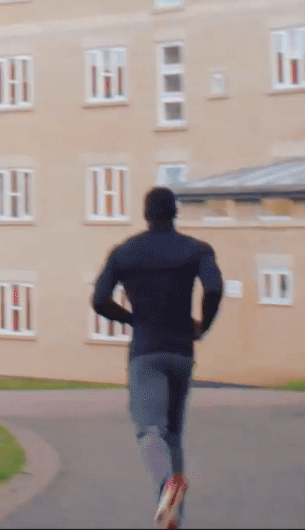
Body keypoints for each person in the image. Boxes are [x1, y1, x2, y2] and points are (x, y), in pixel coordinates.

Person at [92, 184, 224, 529]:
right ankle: (172, 519)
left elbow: (99, 299)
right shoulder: (196, 249)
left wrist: (131, 318)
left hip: (146, 352)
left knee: (150, 430)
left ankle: (168, 485)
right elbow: (214, 288)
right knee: (172, 436)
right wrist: (203, 326)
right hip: (181, 352)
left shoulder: (124, 252)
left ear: (146, 214)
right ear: (175, 212)